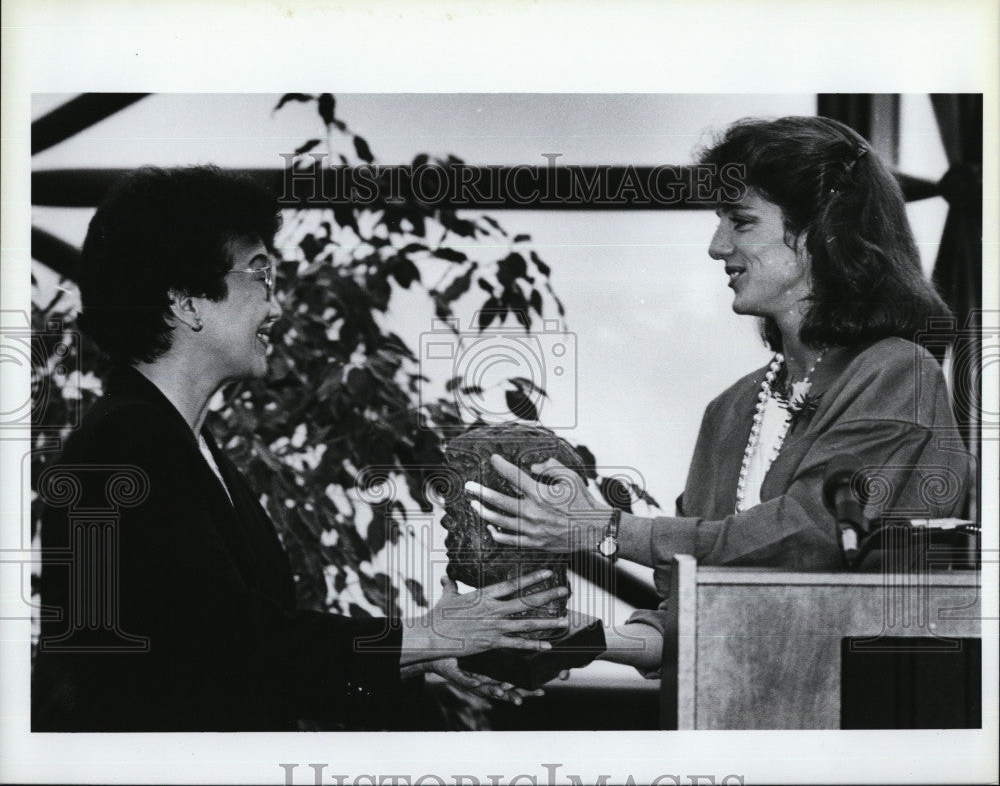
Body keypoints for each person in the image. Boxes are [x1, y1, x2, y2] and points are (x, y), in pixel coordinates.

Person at [31, 165, 569, 731]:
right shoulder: (124, 444)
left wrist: (427, 656)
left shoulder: (181, 444)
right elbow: (232, 643)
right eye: (259, 277)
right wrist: (426, 634)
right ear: (186, 301)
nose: (276, 307)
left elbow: (229, 661)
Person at [463, 116, 971, 673]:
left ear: (824, 232)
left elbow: (808, 540)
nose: (716, 245)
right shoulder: (731, 410)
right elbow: (697, 613)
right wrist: (573, 639)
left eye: (742, 221)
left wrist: (605, 529)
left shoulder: (898, 374)